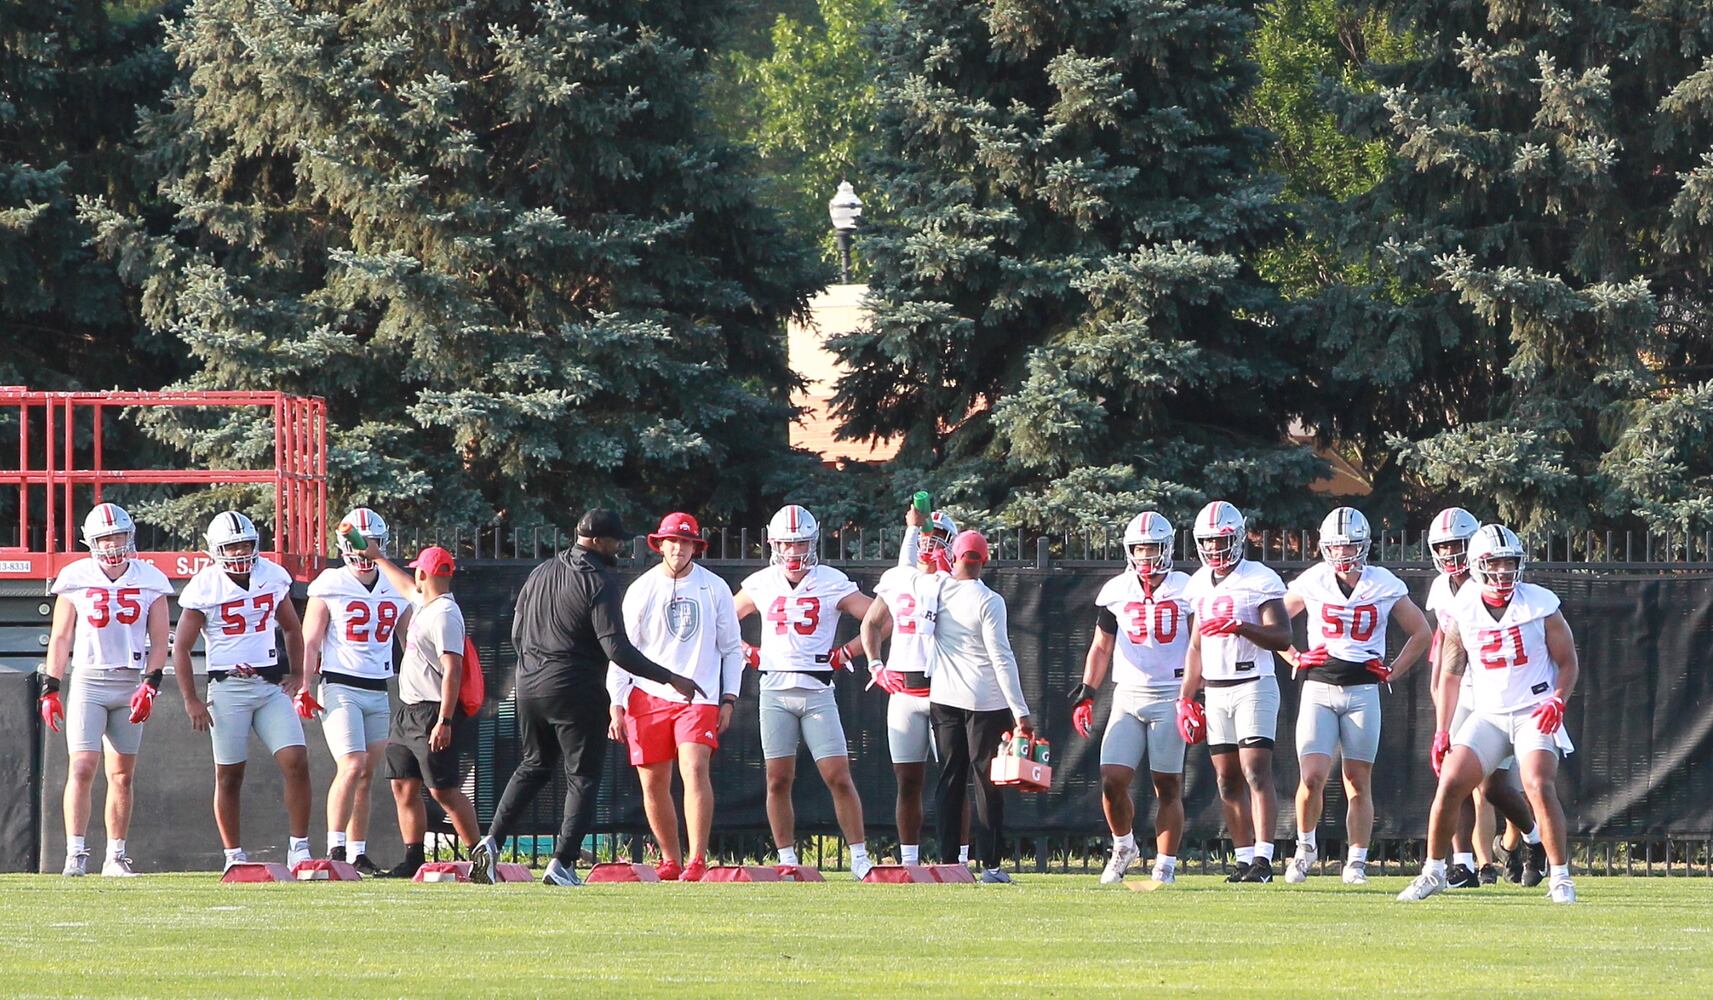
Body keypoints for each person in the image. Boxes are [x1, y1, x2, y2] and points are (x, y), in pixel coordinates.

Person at [472, 509, 702, 886]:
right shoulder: (599, 579)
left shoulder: (541, 572)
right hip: (575, 685)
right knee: (582, 777)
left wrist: (534, 665)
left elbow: (516, 631)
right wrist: (670, 678)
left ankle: (492, 840)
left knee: (533, 765)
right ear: (596, 541)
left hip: (529, 683)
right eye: (614, 540)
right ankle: (562, 864)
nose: (618, 547)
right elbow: (617, 649)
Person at [1399, 525, 1580, 904]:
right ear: (1477, 566)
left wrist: (1557, 700)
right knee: (1450, 782)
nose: (1502, 572)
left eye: (1509, 563)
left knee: (1537, 783)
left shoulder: (1540, 603)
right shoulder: (1462, 609)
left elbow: (1568, 662)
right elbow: (1450, 674)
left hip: (1534, 709)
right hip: (1490, 714)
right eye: (1493, 564)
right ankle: (1434, 871)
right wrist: (1442, 730)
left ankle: (1561, 878)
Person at [1279, 507, 1431, 885]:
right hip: (1318, 686)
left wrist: (1394, 669)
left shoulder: (1383, 583)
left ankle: (1357, 861)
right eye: (1336, 546)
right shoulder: (1313, 579)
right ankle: (1305, 847)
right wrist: (1294, 655)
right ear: (1324, 546)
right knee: (1311, 777)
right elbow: (1274, 621)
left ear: (1364, 547)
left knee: (1357, 781)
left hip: (1363, 689)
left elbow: (1422, 632)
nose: (1343, 553)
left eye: (1349, 546)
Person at [733, 504, 875, 880]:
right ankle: (787, 857)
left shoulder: (830, 580)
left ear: (812, 543)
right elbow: (723, 620)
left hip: (816, 690)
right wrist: (747, 651)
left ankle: (859, 856)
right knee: (777, 778)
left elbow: (880, 618)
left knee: (838, 775)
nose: (794, 552)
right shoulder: (761, 583)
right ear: (774, 544)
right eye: (787, 544)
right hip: (775, 690)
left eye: (801, 544)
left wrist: (848, 652)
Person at [606, 513, 743, 882]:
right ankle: (671, 858)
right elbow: (623, 650)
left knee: (695, 769)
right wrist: (616, 703)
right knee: (653, 782)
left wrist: (728, 698)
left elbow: (732, 649)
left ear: (695, 547)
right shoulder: (643, 588)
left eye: (686, 542)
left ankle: (697, 858)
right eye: (672, 541)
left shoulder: (714, 588)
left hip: (699, 696)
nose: (678, 548)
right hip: (647, 695)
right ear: (660, 544)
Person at [39, 503, 174, 876]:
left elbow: (160, 638)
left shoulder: (150, 578)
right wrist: (51, 687)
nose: (113, 544)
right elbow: (61, 636)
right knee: (81, 766)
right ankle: (75, 853)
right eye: (105, 538)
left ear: (129, 537)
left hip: (130, 681)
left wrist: (151, 682)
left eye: (118, 536)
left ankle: (115, 855)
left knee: (122, 775)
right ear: (91, 541)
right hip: (88, 680)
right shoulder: (76, 576)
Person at [172, 510, 311, 870]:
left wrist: (299, 676)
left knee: (296, 760)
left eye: (245, 544)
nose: (239, 552)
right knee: (230, 774)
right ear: (216, 550)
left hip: (267, 686)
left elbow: (293, 629)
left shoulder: (271, 576)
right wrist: (191, 699)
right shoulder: (205, 586)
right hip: (228, 687)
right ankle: (233, 855)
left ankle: (299, 847)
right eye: (231, 546)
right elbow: (182, 647)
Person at [341, 541, 485, 878]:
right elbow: (403, 585)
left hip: (433, 711)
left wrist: (445, 720)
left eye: (417, 569)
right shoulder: (425, 602)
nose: (413, 575)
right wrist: (377, 557)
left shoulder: (446, 614)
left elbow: (453, 670)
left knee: (443, 789)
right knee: (403, 785)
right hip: (409, 711)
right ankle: (413, 858)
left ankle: (480, 855)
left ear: (424, 572)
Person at [1069, 511, 1191, 886]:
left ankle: (1165, 865)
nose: (1145, 555)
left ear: (1167, 548)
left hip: (1171, 692)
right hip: (1128, 693)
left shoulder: (1188, 588)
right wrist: (1088, 692)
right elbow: (1101, 648)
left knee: (1167, 785)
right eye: (1139, 547)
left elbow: (1200, 645)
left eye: (1152, 547)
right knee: (1111, 778)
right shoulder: (1117, 590)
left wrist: (1192, 695)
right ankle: (1124, 845)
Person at [1423, 507, 1541, 888]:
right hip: (1460, 687)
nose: (1450, 554)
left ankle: (1530, 838)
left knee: (1493, 786)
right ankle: (1465, 863)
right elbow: (1444, 637)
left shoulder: (1488, 582)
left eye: (1458, 544)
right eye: (1443, 546)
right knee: (1452, 780)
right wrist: (1438, 679)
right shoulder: (1442, 587)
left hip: (1497, 689)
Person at [1178, 500, 1292, 883]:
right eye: (1208, 541)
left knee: (1255, 770)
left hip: (1253, 684)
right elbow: (1195, 646)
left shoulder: (1259, 578)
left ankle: (1264, 857)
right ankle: (1243, 857)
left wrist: (1240, 627)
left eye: (1221, 540)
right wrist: (1185, 697)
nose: (1214, 549)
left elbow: (1282, 636)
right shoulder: (1196, 584)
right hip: (1216, 689)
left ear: (1238, 538)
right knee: (1226, 778)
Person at [859, 503, 969, 867]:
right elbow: (872, 623)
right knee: (907, 780)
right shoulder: (898, 578)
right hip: (904, 692)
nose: (930, 544)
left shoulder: (956, 585)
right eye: (925, 537)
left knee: (954, 781)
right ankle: (909, 861)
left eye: (938, 539)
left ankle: (960, 860)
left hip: (945, 690)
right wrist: (876, 665)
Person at [301, 508, 408, 875]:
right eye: (361, 545)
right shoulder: (330, 582)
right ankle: (334, 848)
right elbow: (311, 641)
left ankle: (356, 853)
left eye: (372, 545)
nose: (365, 553)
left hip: (378, 688)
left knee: (367, 774)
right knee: (352, 764)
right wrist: (304, 685)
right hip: (340, 683)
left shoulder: (394, 584)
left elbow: (409, 639)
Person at [928, 530, 1032, 884]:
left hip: (943, 697)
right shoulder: (989, 600)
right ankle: (990, 865)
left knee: (949, 779)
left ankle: (947, 863)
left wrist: (919, 528)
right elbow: (1001, 657)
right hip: (985, 700)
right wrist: (1020, 712)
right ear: (984, 560)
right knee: (987, 782)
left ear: (955, 557)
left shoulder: (938, 590)